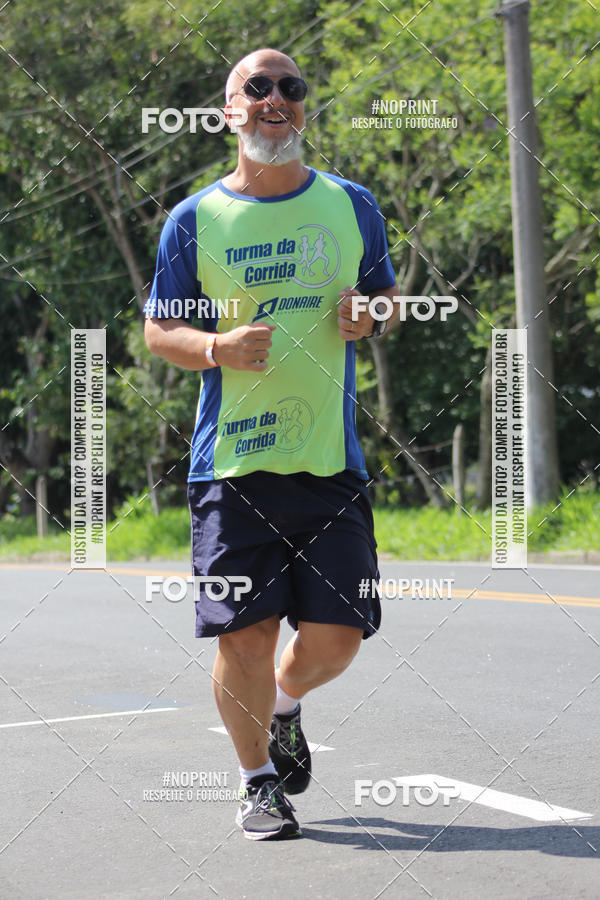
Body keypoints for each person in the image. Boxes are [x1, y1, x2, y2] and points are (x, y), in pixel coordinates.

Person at [144, 47, 398, 840]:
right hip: (232, 471)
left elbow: (387, 299)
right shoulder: (194, 219)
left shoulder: (351, 205)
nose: (274, 99)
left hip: (329, 464)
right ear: (231, 111)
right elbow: (159, 330)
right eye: (257, 88)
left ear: (302, 108)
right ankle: (259, 783)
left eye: (290, 88)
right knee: (242, 636)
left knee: (338, 637)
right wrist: (216, 348)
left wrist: (373, 317)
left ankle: (287, 705)